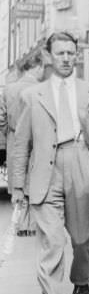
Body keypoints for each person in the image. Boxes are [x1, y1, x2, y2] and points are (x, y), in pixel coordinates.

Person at [12, 31, 89, 294]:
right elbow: (21, 143)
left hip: (83, 164)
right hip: (46, 173)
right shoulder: (32, 96)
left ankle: (81, 279)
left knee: (83, 239)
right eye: (60, 53)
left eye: (71, 53)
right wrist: (18, 186)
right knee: (51, 243)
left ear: (77, 55)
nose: (67, 58)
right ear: (48, 56)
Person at [0, 49, 46, 194]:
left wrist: (10, 133)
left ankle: (18, 214)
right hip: (39, 140)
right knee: (37, 188)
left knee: (18, 190)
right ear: (38, 67)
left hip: (14, 140)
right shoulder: (42, 89)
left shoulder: (9, 89)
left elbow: (1, 118)